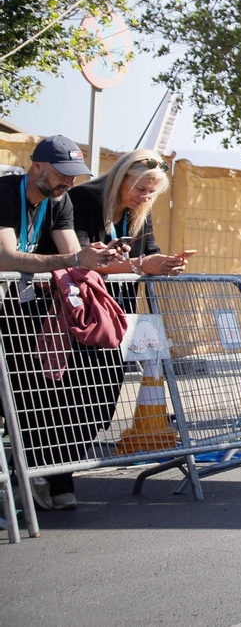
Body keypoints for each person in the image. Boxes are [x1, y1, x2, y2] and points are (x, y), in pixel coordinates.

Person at [0, 136, 122, 512]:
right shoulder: (5, 191)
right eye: (62, 173)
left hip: (18, 311)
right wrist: (74, 257)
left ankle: (40, 476)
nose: (68, 182)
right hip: (8, 306)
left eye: (74, 175)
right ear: (37, 167)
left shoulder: (59, 200)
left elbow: (76, 259)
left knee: (38, 395)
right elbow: (5, 257)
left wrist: (103, 256)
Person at [68, 150, 192, 277]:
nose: (145, 197)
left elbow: (151, 252)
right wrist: (141, 264)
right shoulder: (80, 198)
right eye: (140, 189)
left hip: (121, 296)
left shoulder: (141, 207)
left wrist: (166, 264)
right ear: (120, 178)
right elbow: (82, 258)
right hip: (81, 294)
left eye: (152, 192)